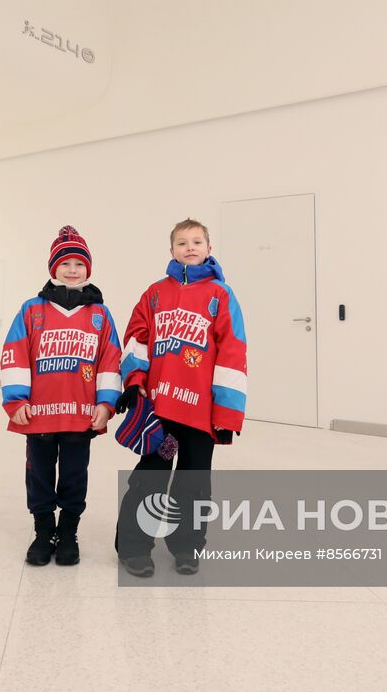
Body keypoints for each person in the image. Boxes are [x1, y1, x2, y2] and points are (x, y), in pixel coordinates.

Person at [114, 218, 248, 578]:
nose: (190, 247)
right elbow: (137, 337)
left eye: (197, 242)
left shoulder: (221, 295)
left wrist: (227, 414)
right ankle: (133, 545)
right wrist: (134, 381)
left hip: (201, 414)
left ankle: (187, 545)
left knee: (194, 481)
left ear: (209, 248)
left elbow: (232, 354)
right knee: (151, 477)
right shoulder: (155, 293)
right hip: (162, 409)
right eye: (182, 242)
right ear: (171, 250)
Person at [1, 226, 120, 567]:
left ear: (88, 269)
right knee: (38, 473)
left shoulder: (100, 314)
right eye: (65, 263)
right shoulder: (32, 310)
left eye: (79, 264)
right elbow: (15, 354)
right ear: (53, 268)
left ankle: (68, 531)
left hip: (80, 414)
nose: (72, 270)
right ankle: (43, 530)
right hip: (39, 413)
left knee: (73, 473)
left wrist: (105, 403)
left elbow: (109, 360)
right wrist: (16, 400)